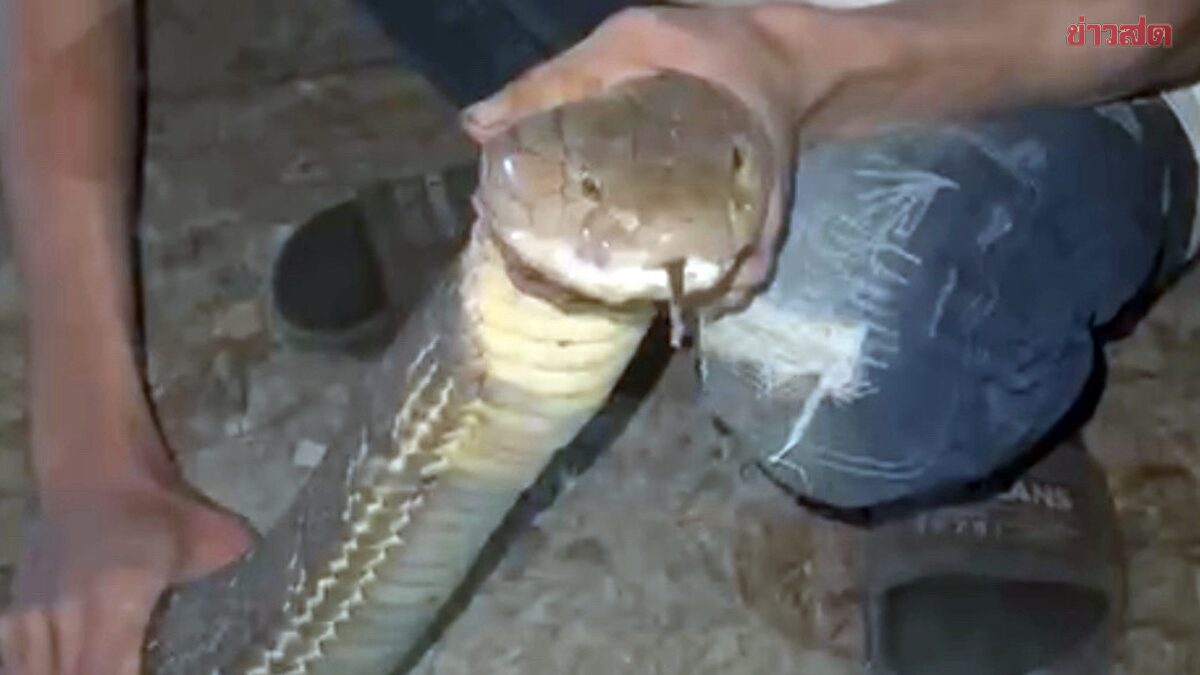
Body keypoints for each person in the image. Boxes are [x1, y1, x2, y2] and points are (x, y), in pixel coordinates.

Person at [1, 1, 1199, 674]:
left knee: (842, 331)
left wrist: (803, 70)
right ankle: (585, 153)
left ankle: (995, 380)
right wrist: (95, 464)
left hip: (1036, 47)